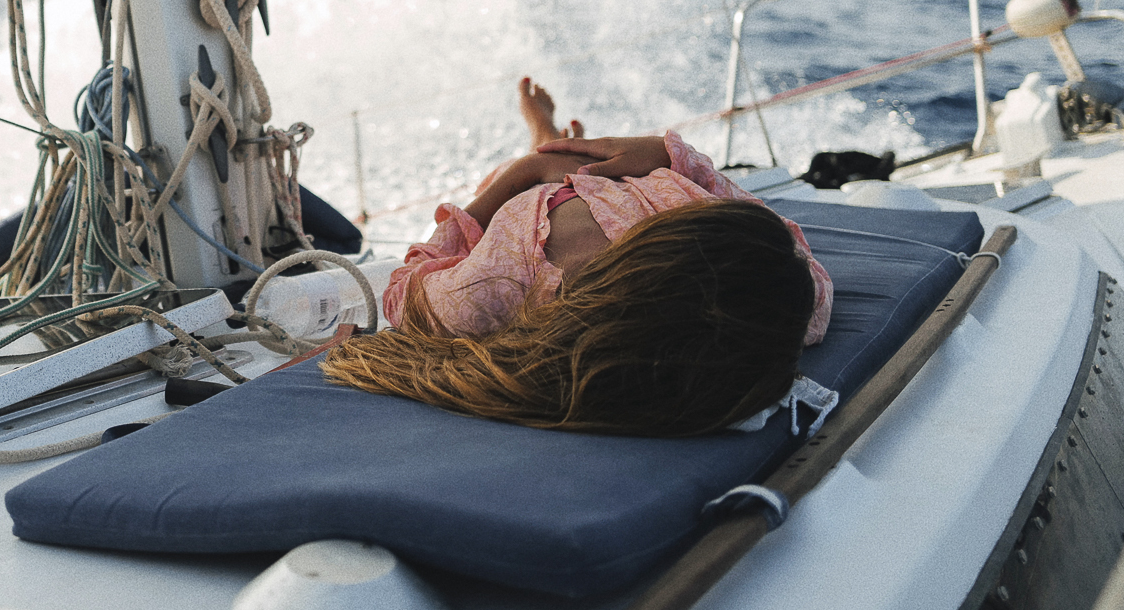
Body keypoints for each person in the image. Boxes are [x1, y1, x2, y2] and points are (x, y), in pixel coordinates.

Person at [322, 79, 833, 437]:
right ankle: (554, 147)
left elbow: (404, 289)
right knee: (576, 160)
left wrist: (522, 176)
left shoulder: (502, 282)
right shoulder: (786, 297)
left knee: (545, 162)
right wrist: (669, 156)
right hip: (632, 176)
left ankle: (544, 144)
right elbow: (782, 241)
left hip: (533, 196)